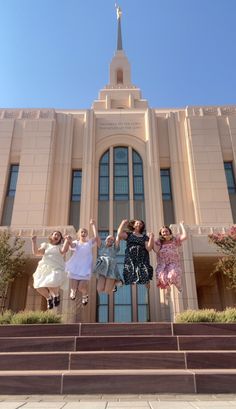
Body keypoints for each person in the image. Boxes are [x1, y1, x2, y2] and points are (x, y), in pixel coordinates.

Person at [31, 231, 71, 309]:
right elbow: (36, 253)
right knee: (38, 286)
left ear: (60, 239)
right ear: (51, 236)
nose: (57, 236)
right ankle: (49, 298)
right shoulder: (46, 246)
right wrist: (34, 242)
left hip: (56, 268)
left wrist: (67, 240)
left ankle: (56, 296)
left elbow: (64, 251)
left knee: (51, 282)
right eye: (55, 234)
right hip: (44, 268)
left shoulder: (60, 246)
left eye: (59, 235)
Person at [66, 219, 98, 305]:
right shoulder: (76, 242)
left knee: (81, 287)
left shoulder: (89, 243)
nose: (83, 233)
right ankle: (73, 292)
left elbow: (96, 238)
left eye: (85, 232)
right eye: (82, 232)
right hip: (76, 266)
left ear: (87, 234)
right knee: (74, 286)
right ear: (79, 234)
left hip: (85, 267)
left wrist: (93, 225)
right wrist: (69, 241)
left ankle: (85, 295)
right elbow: (72, 245)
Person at [117, 219, 154, 286]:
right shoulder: (129, 234)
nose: (139, 225)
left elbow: (148, 248)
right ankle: (132, 287)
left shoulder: (145, 237)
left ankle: (146, 282)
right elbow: (119, 234)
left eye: (141, 224)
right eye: (137, 223)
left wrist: (151, 237)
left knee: (144, 271)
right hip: (131, 257)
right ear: (133, 225)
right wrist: (122, 223)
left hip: (142, 257)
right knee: (131, 272)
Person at [153, 221, 187, 292]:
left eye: (166, 231)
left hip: (172, 263)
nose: (165, 233)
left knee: (172, 275)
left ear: (169, 232)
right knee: (162, 277)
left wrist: (182, 225)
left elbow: (185, 236)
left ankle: (178, 285)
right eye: (163, 232)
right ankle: (168, 289)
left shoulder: (174, 239)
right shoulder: (159, 241)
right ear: (161, 234)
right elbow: (155, 249)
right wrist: (151, 238)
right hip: (162, 264)